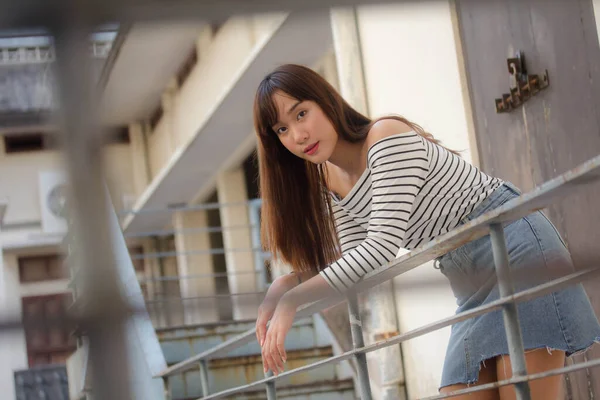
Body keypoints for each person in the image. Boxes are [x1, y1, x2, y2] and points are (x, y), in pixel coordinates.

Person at [252, 63, 600, 399]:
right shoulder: (330, 180)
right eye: (282, 129)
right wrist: (291, 282)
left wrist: (294, 302)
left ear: (325, 101)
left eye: (301, 114)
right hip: (468, 281)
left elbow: (380, 247)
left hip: (515, 250)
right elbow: (358, 267)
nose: (298, 135)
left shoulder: (384, 136)